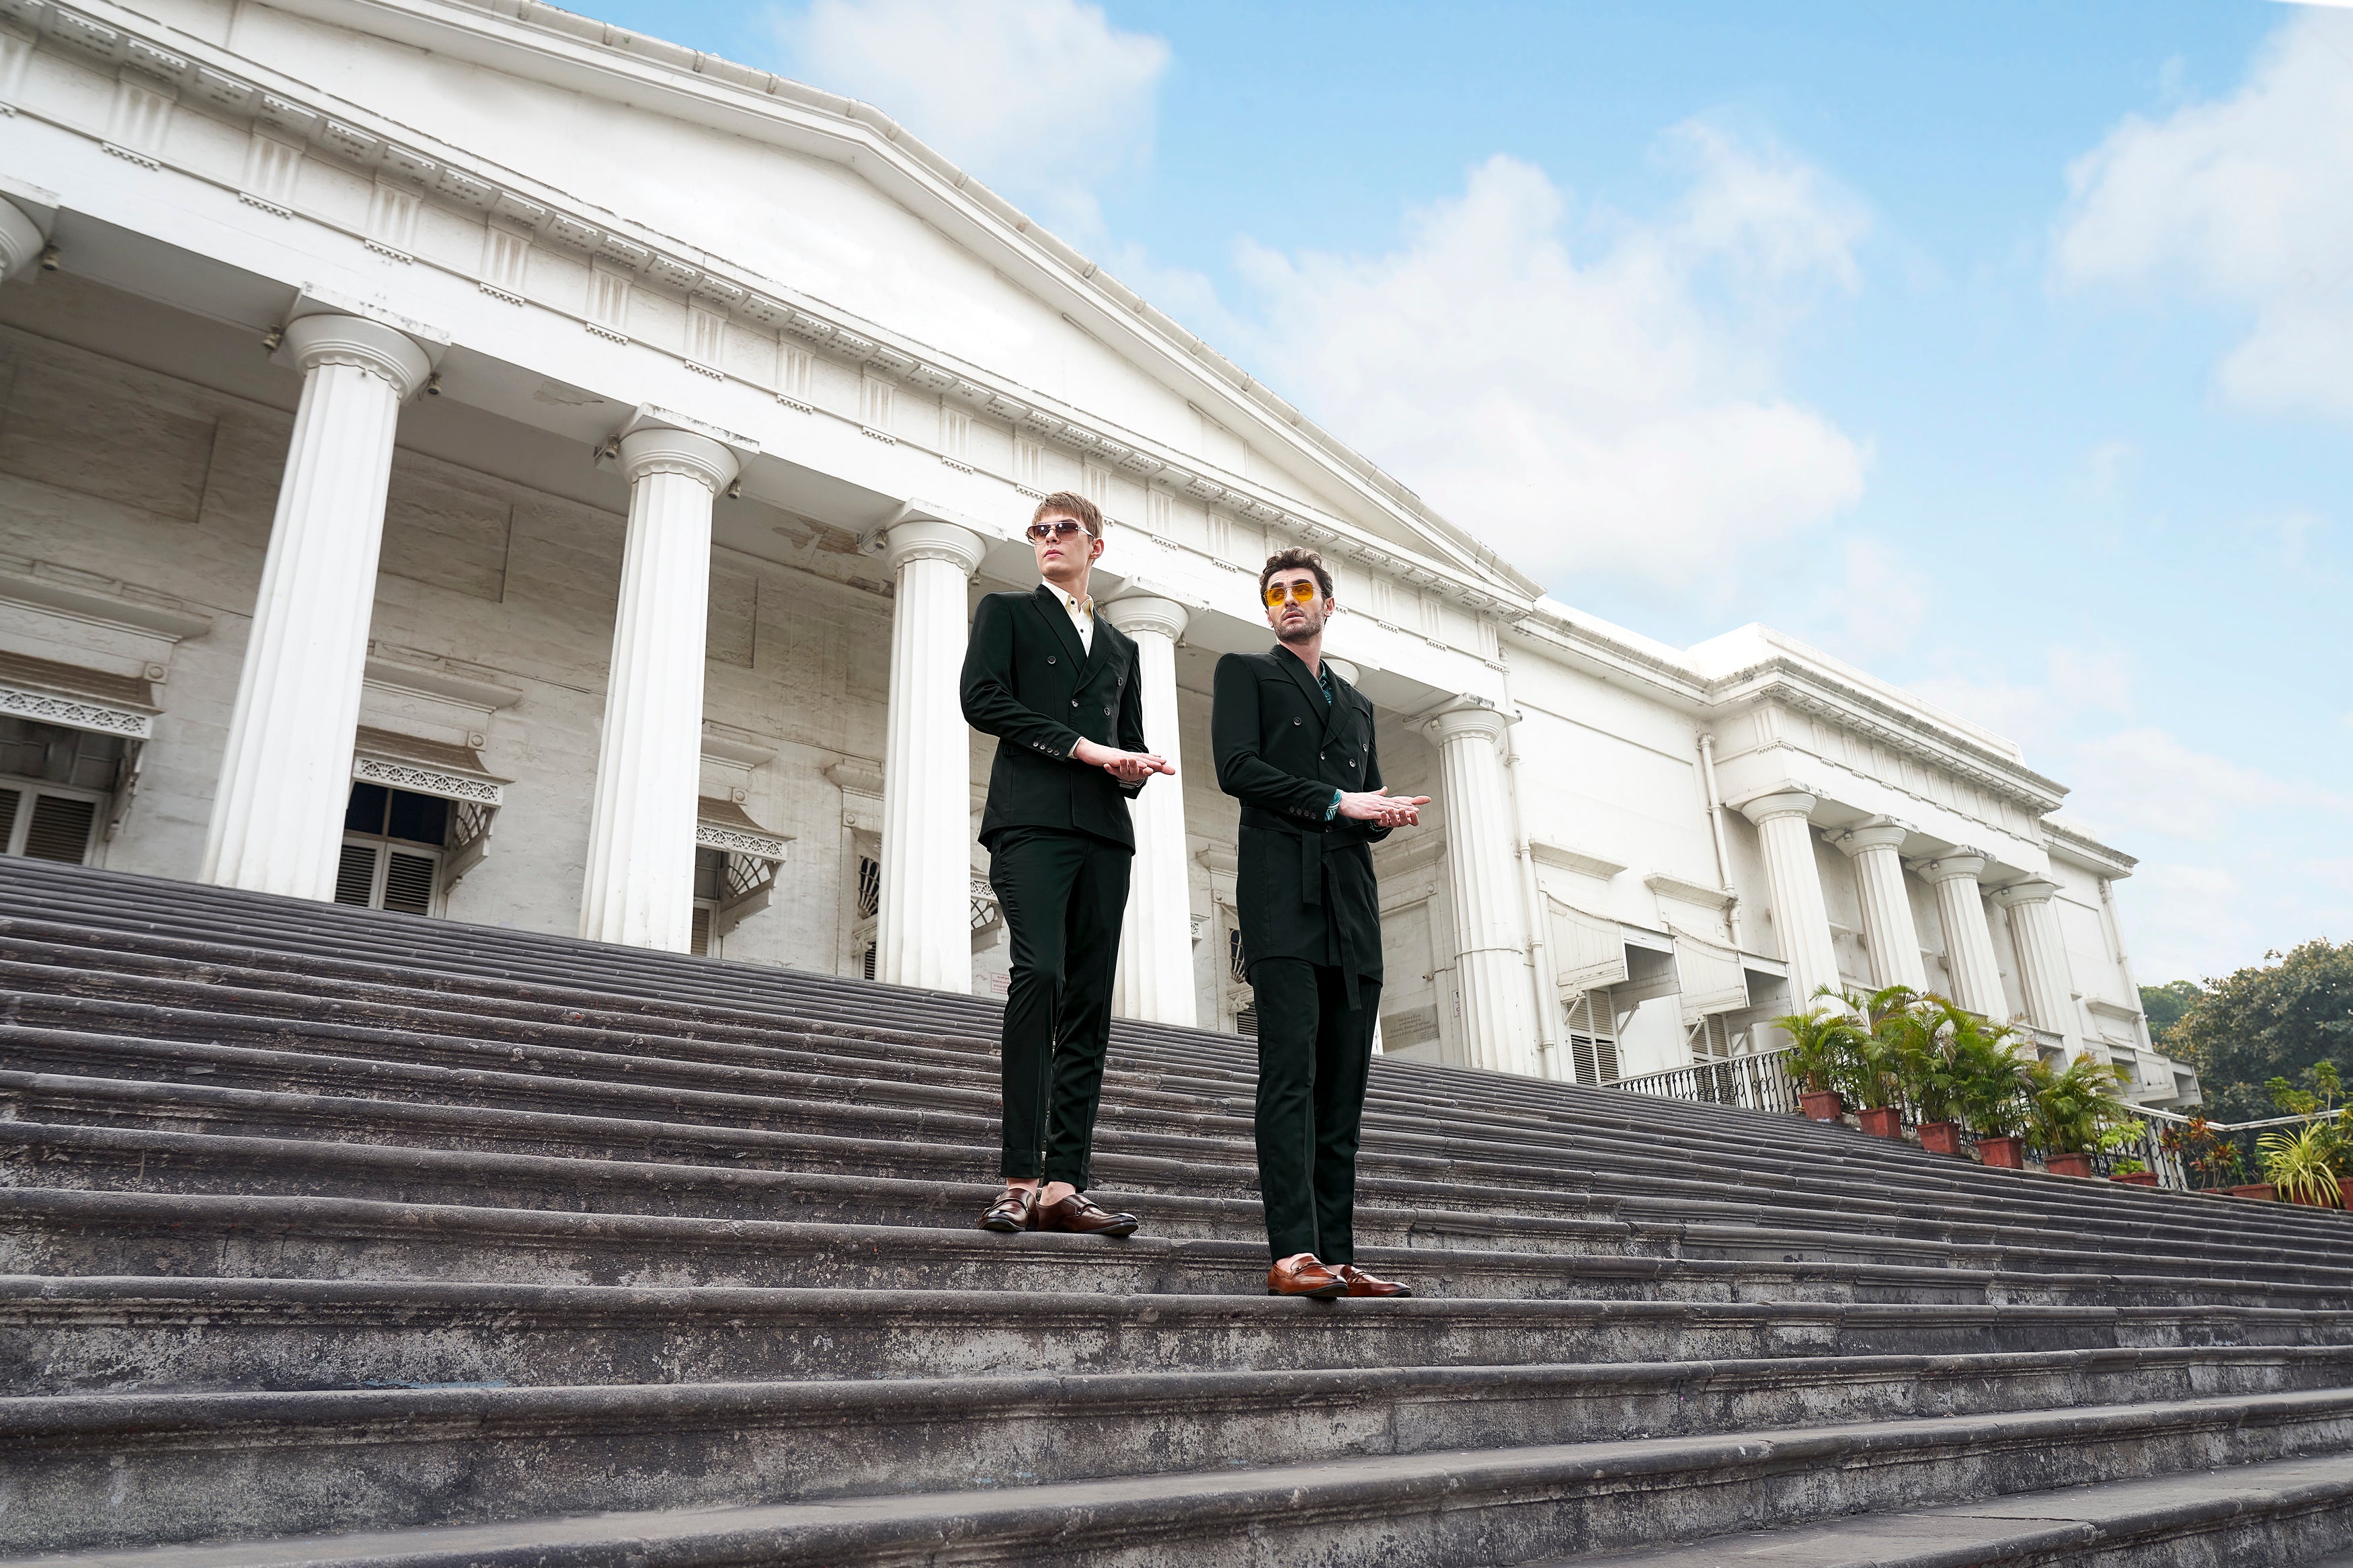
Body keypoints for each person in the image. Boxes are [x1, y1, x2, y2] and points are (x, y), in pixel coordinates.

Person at [1211, 548, 1429, 1299]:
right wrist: (1342, 801)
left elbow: (1363, 807)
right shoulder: (1245, 672)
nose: (1288, 601)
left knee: (1343, 1089)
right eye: (1275, 593)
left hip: (1350, 908)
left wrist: (1381, 812)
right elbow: (1236, 768)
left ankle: (1337, 1255)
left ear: (1327, 604)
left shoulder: (1357, 703)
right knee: (1289, 1077)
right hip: (1281, 896)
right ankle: (1292, 1253)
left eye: (1301, 590)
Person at [960, 490, 1174, 1237]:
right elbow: (980, 698)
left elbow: (1129, 735)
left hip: (1104, 832)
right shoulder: (1007, 614)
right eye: (1038, 530)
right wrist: (1082, 748)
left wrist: (1133, 768)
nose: (1049, 538)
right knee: (1040, 973)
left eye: (1064, 529)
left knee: (1087, 1000)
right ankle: (1018, 1174)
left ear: (1095, 546)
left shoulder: (1123, 647)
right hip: (1029, 821)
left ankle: (1063, 1183)